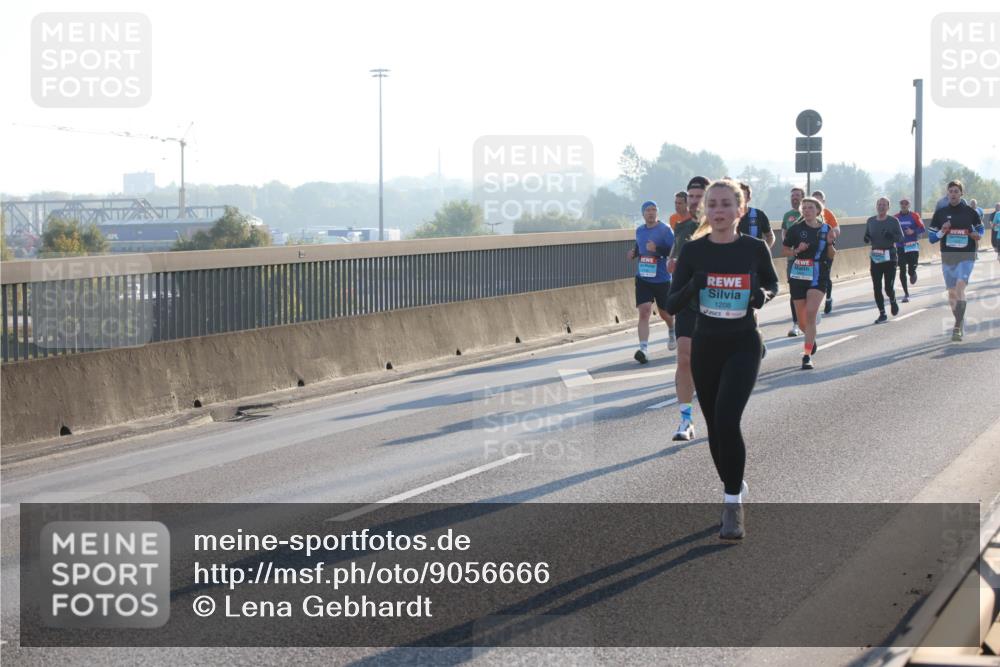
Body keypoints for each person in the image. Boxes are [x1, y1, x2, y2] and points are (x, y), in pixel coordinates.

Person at [666, 178, 779, 540]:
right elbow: (671, 304)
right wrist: (693, 286)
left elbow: (772, 284)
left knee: (728, 420)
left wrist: (761, 295)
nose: (718, 210)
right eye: (712, 204)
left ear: (740, 209)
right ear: (704, 210)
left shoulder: (754, 247)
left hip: (743, 343)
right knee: (715, 428)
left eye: (726, 204)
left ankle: (732, 505)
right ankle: (735, 483)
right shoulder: (694, 252)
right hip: (707, 345)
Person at [666, 176, 709, 441]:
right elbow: (675, 254)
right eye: (690, 197)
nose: (693, 202)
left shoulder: (722, 227)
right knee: (684, 357)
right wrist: (673, 262)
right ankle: (685, 420)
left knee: (710, 366)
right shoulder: (682, 229)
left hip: (716, 304)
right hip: (686, 302)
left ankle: (718, 414)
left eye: (698, 197)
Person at [782, 196, 836, 369]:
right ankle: (811, 339)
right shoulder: (795, 229)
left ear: (818, 210)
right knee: (802, 320)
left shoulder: (826, 229)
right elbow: (784, 250)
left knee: (811, 313)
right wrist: (797, 250)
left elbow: (831, 255)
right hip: (798, 274)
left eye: (810, 208)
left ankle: (806, 356)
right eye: (804, 208)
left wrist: (829, 244)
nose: (806, 210)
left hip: (818, 274)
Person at [929, 180, 985, 341]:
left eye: (956, 191)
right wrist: (942, 231)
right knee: (952, 292)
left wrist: (977, 235)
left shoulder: (970, 212)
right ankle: (958, 321)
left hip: (967, 255)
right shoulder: (940, 214)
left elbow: (980, 229)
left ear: (961, 194)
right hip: (948, 256)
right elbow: (932, 238)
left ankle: (957, 326)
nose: (953, 194)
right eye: (950, 191)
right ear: (947, 194)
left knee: (960, 287)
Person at [628, 200, 676, 362]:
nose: (651, 212)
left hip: (661, 278)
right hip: (643, 277)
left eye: (654, 210)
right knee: (644, 311)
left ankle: (672, 328)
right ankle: (644, 349)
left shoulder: (665, 230)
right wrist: (634, 253)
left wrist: (657, 250)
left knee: (665, 313)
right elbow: (639, 246)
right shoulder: (640, 230)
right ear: (643, 213)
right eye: (648, 210)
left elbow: (673, 251)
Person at [864, 197, 905, 323]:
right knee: (876, 287)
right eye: (879, 204)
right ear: (876, 206)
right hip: (876, 257)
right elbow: (867, 234)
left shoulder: (893, 221)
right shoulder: (870, 221)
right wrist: (866, 238)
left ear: (888, 207)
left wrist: (891, 236)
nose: (881, 207)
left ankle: (892, 300)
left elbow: (901, 238)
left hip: (890, 257)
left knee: (888, 287)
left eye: (884, 205)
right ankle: (882, 313)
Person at [811, 191, 841, 314]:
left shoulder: (827, 213)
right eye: (815, 200)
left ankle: (828, 298)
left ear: (823, 202)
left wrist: (831, 234)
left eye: (819, 201)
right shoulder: (807, 213)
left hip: (826, 249)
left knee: (825, 274)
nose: (817, 203)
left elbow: (837, 229)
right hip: (811, 250)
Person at [781, 187, 805, 336]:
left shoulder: (808, 212)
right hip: (792, 259)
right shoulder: (788, 215)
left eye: (797, 195)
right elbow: (783, 232)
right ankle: (796, 324)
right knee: (794, 291)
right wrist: (787, 244)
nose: (794, 198)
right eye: (792, 196)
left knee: (809, 291)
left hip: (808, 260)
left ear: (803, 197)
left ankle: (809, 317)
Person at [894, 197, 925, 302]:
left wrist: (913, 231)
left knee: (911, 268)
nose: (904, 205)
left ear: (909, 205)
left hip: (912, 246)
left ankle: (913, 273)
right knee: (902, 269)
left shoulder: (914, 216)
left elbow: (922, 228)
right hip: (900, 246)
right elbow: (891, 230)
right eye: (902, 204)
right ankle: (906, 294)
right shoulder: (895, 217)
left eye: (906, 204)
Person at [737, 182, 775, 248]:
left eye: (742, 196)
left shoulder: (759, 214)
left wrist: (764, 251)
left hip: (754, 256)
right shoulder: (728, 216)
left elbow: (770, 237)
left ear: (748, 199)